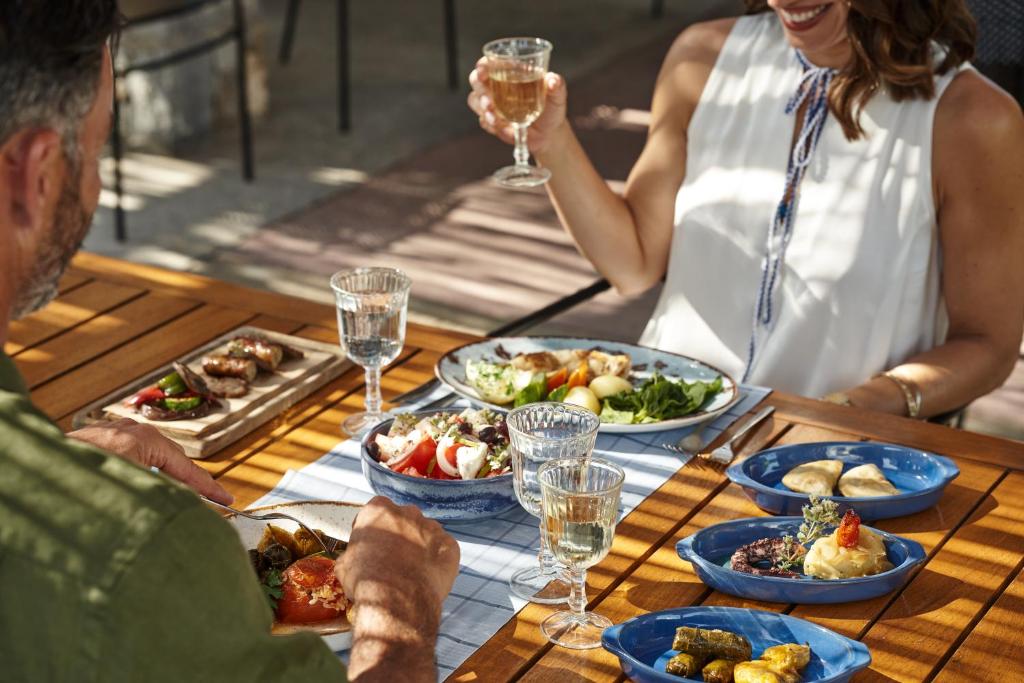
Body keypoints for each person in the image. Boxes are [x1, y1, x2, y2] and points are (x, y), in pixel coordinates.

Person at [0, 3, 458, 682]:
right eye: (95, 151)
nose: (94, 185)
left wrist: (53, 468)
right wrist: (399, 605)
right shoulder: (146, 550)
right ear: (35, 174)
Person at [468, 0, 1024, 419]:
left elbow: (989, 345)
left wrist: (862, 406)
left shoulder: (973, 119)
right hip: (657, 423)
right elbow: (632, 263)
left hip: (827, 465)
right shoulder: (702, 58)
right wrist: (551, 141)